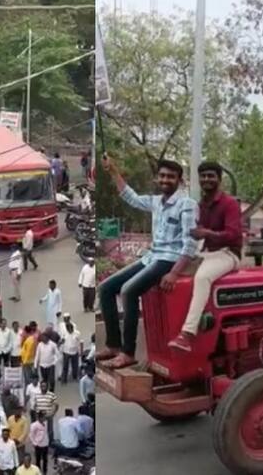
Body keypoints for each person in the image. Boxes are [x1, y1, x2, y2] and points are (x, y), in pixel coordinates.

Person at [99, 156, 197, 369]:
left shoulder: (187, 205)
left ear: (179, 180)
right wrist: (113, 171)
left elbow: (190, 245)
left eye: (170, 177)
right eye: (162, 176)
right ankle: (113, 345)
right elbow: (130, 197)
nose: (165, 180)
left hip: (169, 260)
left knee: (128, 291)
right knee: (106, 288)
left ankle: (128, 352)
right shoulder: (155, 202)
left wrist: (174, 273)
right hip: (152, 256)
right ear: (156, 179)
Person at [168, 161, 243, 352]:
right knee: (171, 272)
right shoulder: (201, 205)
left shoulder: (230, 203)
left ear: (219, 179)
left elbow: (233, 234)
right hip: (208, 254)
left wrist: (206, 233)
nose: (206, 179)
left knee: (202, 277)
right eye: (203, 176)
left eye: (211, 176)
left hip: (228, 254)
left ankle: (187, 334)